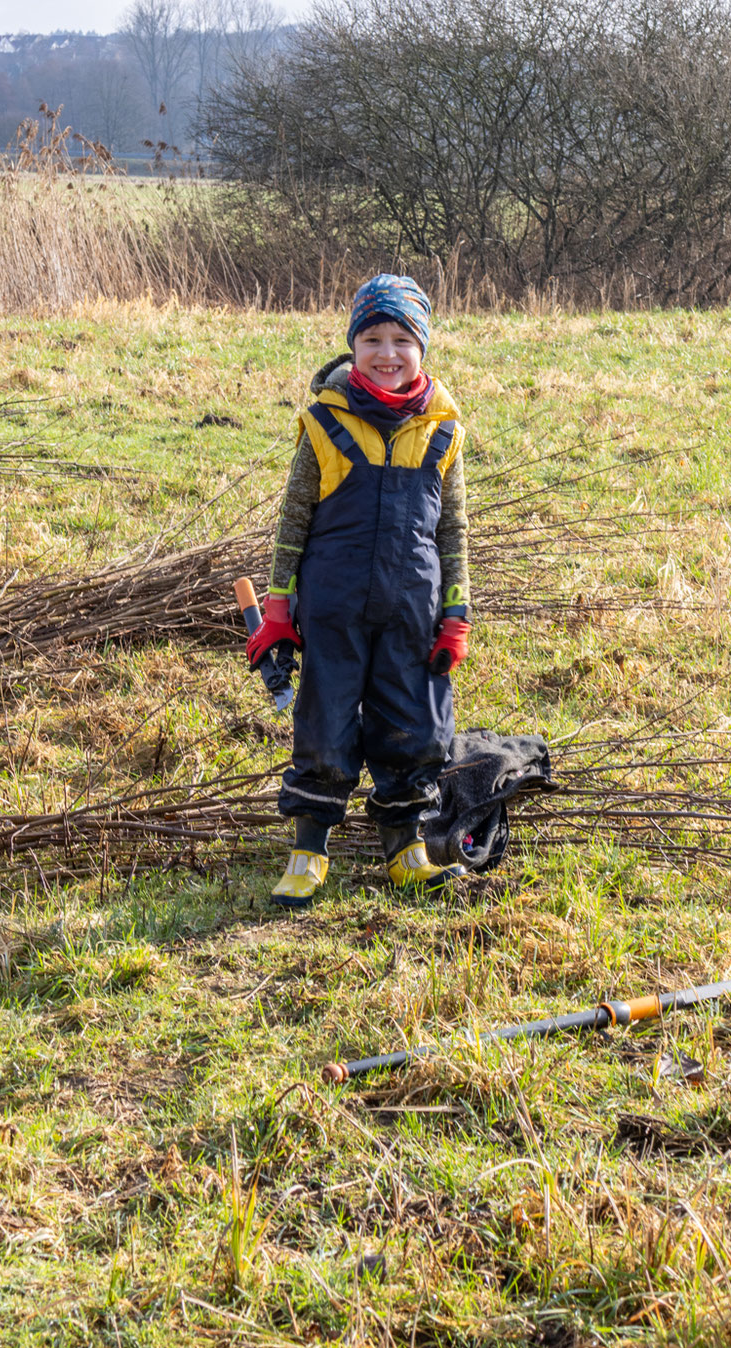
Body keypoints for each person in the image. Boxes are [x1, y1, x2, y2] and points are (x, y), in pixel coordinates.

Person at [245, 274, 473, 907]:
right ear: (353, 346)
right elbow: (293, 520)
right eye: (371, 338)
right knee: (325, 719)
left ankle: (408, 852)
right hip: (335, 603)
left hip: (414, 608)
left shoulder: (445, 429)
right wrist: (278, 605)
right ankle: (307, 852)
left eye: (402, 339)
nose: (387, 352)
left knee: (415, 725)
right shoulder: (323, 420)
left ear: (422, 348)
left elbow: (453, 530)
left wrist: (457, 612)